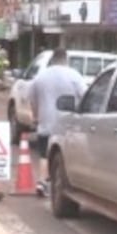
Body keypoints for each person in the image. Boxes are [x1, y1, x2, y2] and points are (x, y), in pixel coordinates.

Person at [29, 48, 87, 197]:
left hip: (46, 123)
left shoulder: (40, 77)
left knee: (44, 155)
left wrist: (35, 116)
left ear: (52, 60)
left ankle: (42, 182)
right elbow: (84, 96)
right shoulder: (75, 76)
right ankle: (62, 185)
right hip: (68, 126)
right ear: (66, 60)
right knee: (65, 157)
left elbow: (32, 98)